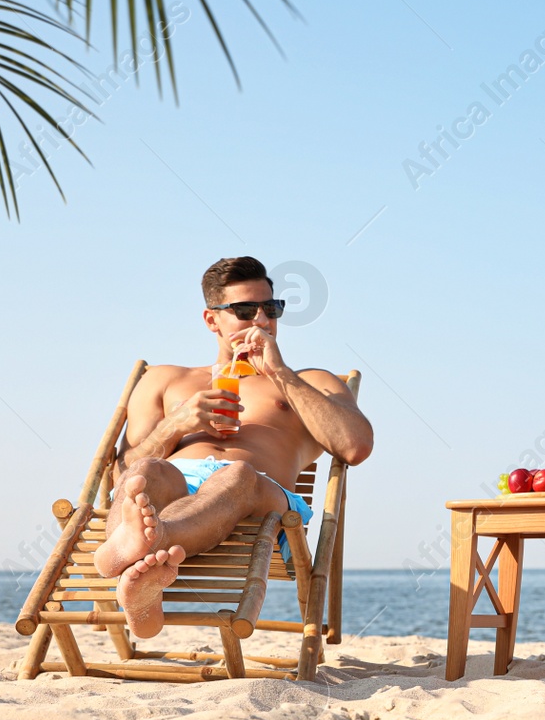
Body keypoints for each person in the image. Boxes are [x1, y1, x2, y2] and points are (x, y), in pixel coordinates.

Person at [93, 256, 373, 637]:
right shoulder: (166, 379)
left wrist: (280, 373)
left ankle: (132, 551)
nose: (260, 320)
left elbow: (355, 447)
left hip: (258, 493)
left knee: (236, 474)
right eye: (244, 310)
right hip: (176, 487)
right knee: (144, 473)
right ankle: (138, 580)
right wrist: (175, 425)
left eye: (270, 309)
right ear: (212, 320)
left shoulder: (309, 382)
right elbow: (121, 474)